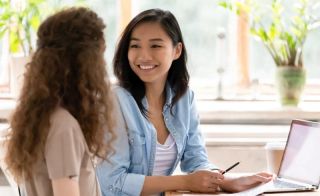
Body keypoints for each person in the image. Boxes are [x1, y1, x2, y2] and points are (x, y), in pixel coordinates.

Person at [96, 8, 272, 196]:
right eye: (135, 46)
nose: (144, 56)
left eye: (155, 46)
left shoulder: (184, 99)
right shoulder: (115, 101)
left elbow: (196, 160)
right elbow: (112, 183)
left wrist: (229, 181)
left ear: (177, 50)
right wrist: (184, 181)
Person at [4, 7, 115, 196]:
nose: (103, 65)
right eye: (99, 56)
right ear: (83, 62)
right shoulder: (64, 127)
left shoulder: (43, 120)